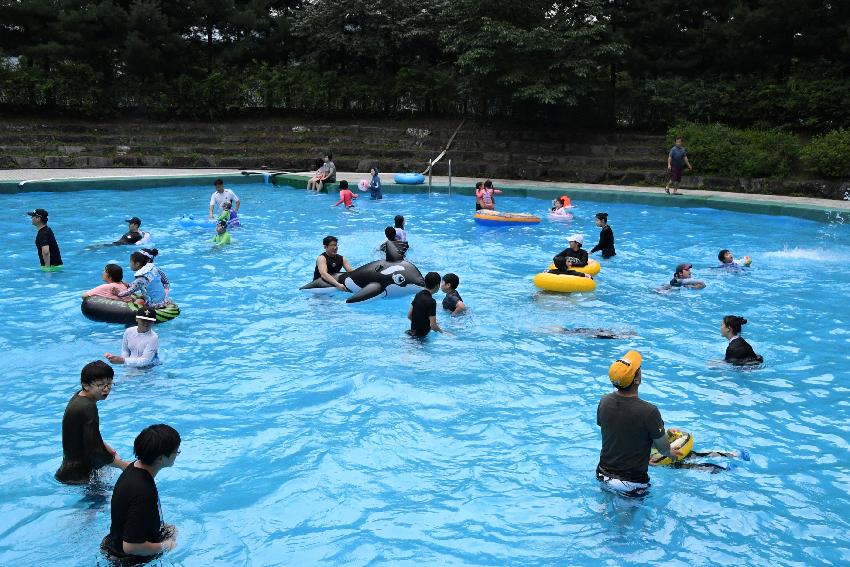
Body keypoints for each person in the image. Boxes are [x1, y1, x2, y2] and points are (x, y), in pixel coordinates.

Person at [596, 351, 682, 496]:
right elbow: (663, 449)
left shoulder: (604, 401)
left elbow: (617, 433)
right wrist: (671, 452)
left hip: (602, 475)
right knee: (624, 519)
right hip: (631, 483)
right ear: (636, 379)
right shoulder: (650, 411)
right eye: (639, 369)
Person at [101, 424, 181, 562]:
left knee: (173, 530)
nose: (178, 453)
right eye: (176, 451)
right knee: (173, 540)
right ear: (161, 458)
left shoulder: (133, 468)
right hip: (127, 560)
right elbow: (131, 547)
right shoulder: (143, 492)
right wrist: (165, 546)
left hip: (113, 544)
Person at [55, 361, 129, 484]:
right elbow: (95, 450)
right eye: (101, 385)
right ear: (86, 385)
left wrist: (106, 447)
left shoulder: (79, 397)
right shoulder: (88, 408)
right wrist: (122, 465)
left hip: (69, 471)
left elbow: (87, 436)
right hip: (80, 476)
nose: (106, 389)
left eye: (109, 384)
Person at [407, 271, 444, 337]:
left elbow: (409, 315)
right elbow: (433, 326)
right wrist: (443, 332)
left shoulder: (418, 295)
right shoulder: (432, 301)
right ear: (437, 286)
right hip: (420, 337)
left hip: (411, 332)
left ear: (425, 283)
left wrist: (418, 324)